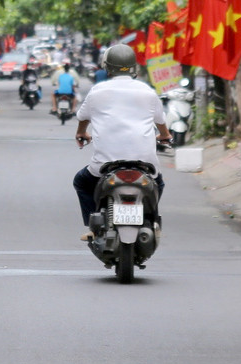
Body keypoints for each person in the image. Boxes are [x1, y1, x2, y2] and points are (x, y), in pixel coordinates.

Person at [72, 43, 170, 237]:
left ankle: (93, 227)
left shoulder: (98, 91)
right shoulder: (147, 91)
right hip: (145, 163)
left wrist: (81, 132)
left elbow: (83, 117)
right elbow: (161, 122)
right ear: (133, 66)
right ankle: (151, 223)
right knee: (158, 183)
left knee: (81, 182)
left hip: (105, 164)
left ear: (107, 66)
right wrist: (165, 136)